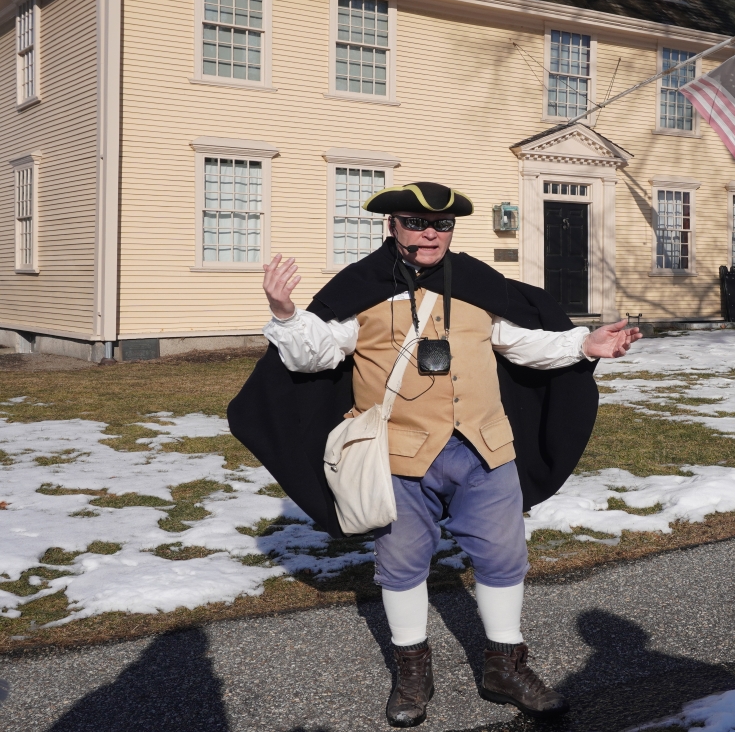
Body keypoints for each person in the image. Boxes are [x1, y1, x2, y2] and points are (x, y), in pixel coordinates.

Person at [229, 182, 640, 728]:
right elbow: (314, 356)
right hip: (397, 456)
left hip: (484, 447)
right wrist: (284, 312)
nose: (429, 232)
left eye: (441, 225)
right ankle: (413, 671)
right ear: (391, 226)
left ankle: (505, 667)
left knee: (503, 558)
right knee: (401, 566)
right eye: (414, 222)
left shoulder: (478, 284)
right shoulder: (361, 287)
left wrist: (582, 345)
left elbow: (520, 343)